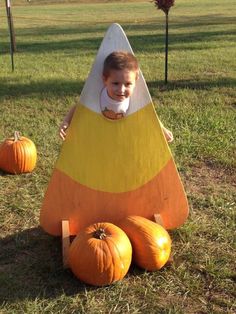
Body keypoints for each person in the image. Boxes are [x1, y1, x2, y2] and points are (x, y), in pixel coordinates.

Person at [59, 51, 173, 142]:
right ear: (105, 80)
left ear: (136, 81)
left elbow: (149, 114)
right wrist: (66, 122)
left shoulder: (136, 101)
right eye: (115, 83)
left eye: (128, 84)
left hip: (124, 138)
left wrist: (162, 128)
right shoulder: (99, 96)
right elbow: (79, 107)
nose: (121, 90)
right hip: (100, 137)